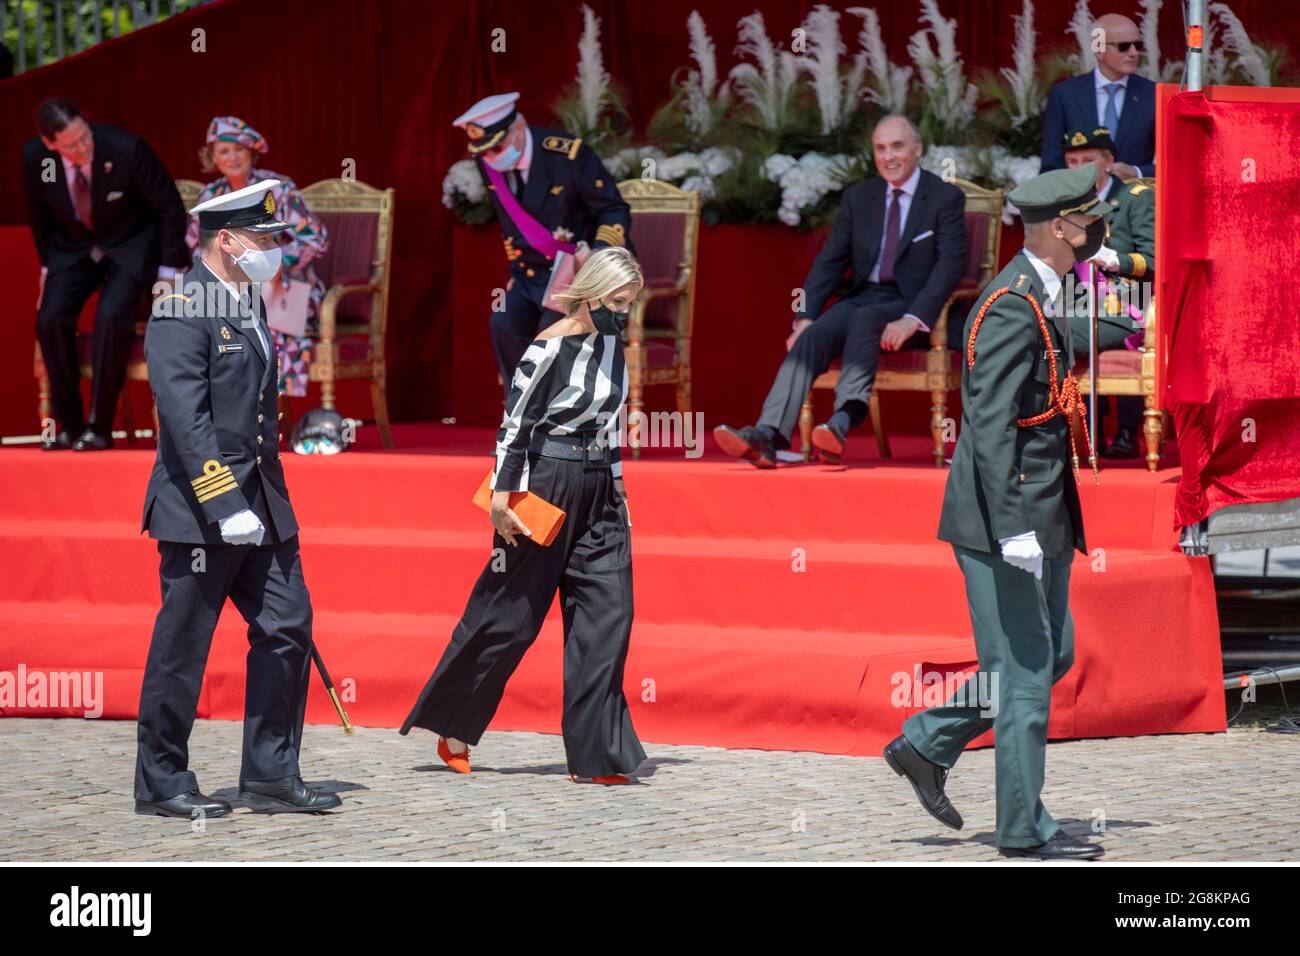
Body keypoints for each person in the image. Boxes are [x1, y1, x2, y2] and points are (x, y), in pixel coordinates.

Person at [883, 164, 1106, 861]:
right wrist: (1014, 530)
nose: (1099, 230)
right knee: (1026, 671)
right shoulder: (1011, 303)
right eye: (1090, 219)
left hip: (1042, 511)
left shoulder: (1037, 292)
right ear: (1063, 228)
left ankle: (926, 741)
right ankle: (1022, 828)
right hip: (1006, 519)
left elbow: (1057, 340)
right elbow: (986, 429)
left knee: (1052, 653)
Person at [400, 246, 647, 785]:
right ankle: (453, 726)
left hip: (599, 489)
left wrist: (620, 494)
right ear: (590, 292)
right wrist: (501, 496)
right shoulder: (548, 346)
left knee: (610, 616)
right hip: (545, 482)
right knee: (510, 616)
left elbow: (610, 428)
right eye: (617, 301)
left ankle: (598, 754)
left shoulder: (613, 345)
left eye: (630, 303)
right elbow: (515, 425)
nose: (624, 313)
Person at [134, 181, 340, 818]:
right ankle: (162, 778)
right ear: (226, 239)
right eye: (263, 238)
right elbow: (186, 420)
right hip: (203, 511)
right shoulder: (180, 308)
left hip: (265, 503)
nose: (272, 249)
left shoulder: (245, 299)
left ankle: (271, 773)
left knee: (287, 626)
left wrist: (259, 503)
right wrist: (225, 504)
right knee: (184, 643)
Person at [712, 114, 965, 466]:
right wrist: (804, 317)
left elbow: (950, 267)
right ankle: (768, 435)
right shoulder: (860, 197)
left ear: (917, 149)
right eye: (880, 148)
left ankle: (841, 423)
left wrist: (912, 319)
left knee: (865, 319)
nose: (888, 156)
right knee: (812, 336)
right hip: (865, 297)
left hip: (911, 305)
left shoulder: (944, 197)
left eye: (897, 146)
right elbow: (829, 262)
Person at [22, 98, 188, 450]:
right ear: (50, 144)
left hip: (130, 245)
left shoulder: (125, 148)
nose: (82, 147)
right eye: (71, 145)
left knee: (112, 316)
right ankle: (70, 423)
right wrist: (47, 268)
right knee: (49, 319)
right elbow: (39, 218)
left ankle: (99, 425)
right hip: (73, 250)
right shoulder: (37, 159)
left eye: (85, 136)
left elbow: (170, 206)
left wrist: (170, 269)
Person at [452, 92, 634, 397]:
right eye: (485, 151)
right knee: (503, 325)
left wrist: (599, 256)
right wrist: (515, 275)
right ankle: (522, 416)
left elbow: (613, 209)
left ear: (518, 128)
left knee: (551, 337)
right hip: (531, 275)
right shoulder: (488, 161)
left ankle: (558, 426)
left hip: (581, 277)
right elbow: (512, 225)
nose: (492, 156)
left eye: (497, 146)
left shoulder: (567, 155)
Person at [185, 116, 328, 399]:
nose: (232, 157)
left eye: (239, 149)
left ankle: (271, 406)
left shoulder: (278, 188)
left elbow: (315, 239)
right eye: (224, 151)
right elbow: (195, 247)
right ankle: (229, 404)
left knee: (259, 317)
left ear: (251, 151)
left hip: (282, 288)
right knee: (203, 317)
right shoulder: (211, 195)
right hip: (229, 289)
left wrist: (273, 262)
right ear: (212, 157)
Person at [1062, 126, 1156, 459]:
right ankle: (1080, 427)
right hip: (1077, 302)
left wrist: (1114, 260)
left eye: (1088, 160)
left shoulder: (1136, 198)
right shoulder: (1064, 203)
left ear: (1109, 163)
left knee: (1051, 332)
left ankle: (1061, 431)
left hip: (1128, 305)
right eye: (1072, 161)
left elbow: (1156, 261)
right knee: (1036, 323)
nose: (1078, 169)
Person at [1040, 13, 1156, 179]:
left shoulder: (1153, 95)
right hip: (1081, 200)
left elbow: (1177, 164)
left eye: (1138, 46)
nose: (1134, 53)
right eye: (1124, 46)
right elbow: (1051, 165)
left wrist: (1136, 172)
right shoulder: (1065, 95)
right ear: (1099, 49)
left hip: (1136, 199)